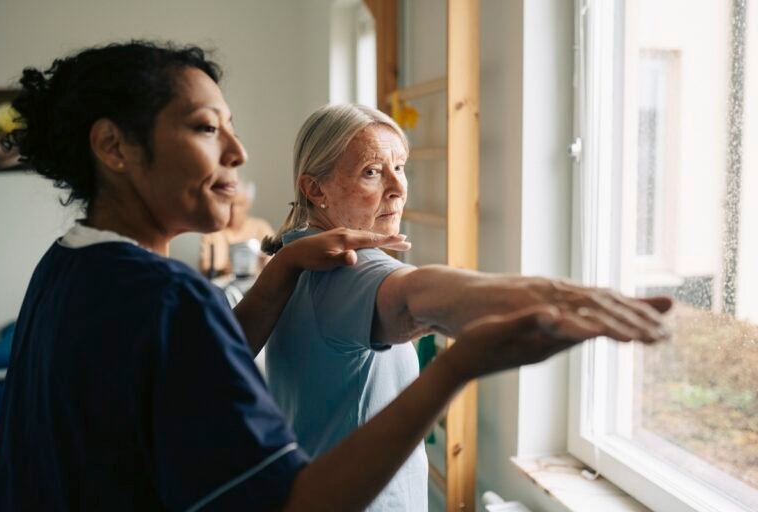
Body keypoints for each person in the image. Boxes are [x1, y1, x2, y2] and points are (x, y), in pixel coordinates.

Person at [0, 42, 669, 512]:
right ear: (114, 147)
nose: (237, 150)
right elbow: (295, 501)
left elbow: (191, 357)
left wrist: (281, 266)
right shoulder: (173, 294)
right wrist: (457, 370)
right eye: (205, 127)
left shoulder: (69, 267)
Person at [261, 104, 673, 511]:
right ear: (315, 189)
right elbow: (416, 295)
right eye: (371, 171)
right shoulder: (346, 269)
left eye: (400, 167)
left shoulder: (289, 261)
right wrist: (554, 294)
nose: (398, 187)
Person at [199, 180, 275, 277]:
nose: (233, 210)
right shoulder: (212, 231)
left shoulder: (261, 227)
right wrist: (223, 271)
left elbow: (274, 263)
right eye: (228, 204)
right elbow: (205, 270)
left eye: (238, 204)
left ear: (248, 205)